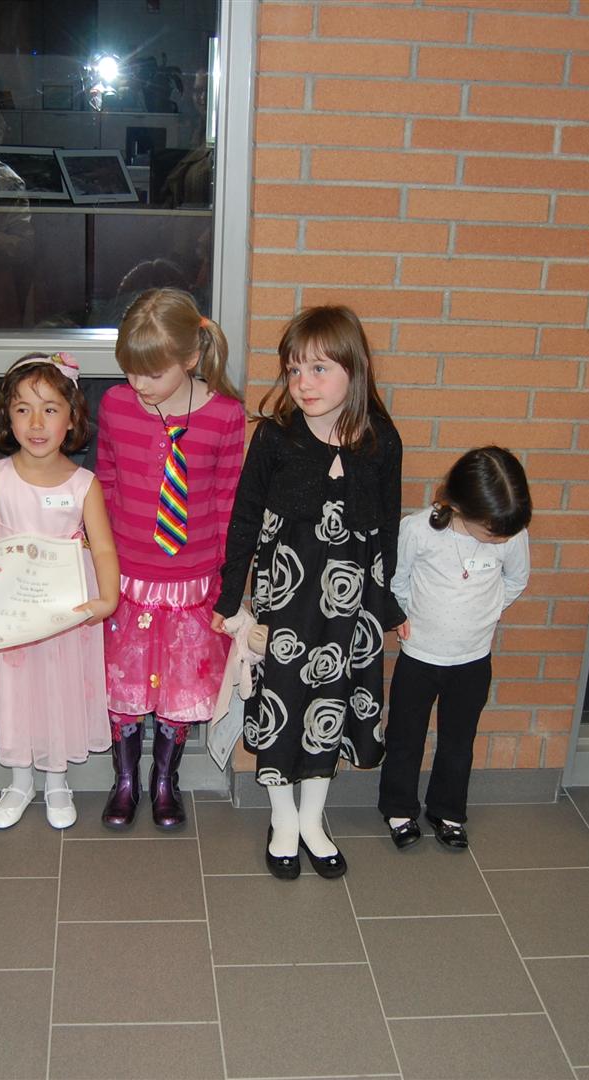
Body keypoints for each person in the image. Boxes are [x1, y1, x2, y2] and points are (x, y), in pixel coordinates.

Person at [214, 306, 404, 881]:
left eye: (319, 369)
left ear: (355, 368)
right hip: (286, 599)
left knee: (330, 703)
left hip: (351, 605)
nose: (303, 383)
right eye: (294, 370)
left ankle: (313, 819)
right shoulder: (275, 437)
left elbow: (387, 527)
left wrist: (387, 605)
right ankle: (283, 819)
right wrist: (231, 599)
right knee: (282, 701)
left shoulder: (380, 440)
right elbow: (245, 519)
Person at [96, 289, 245, 830]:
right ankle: (125, 780)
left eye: (152, 374)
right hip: (128, 581)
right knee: (124, 686)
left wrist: (228, 586)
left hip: (191, 585)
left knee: (177, 690)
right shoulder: (115, 406)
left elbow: (228, 502)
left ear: (190, 358)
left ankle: (165, 780)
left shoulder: (225, 416)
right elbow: (105, 483)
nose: (139, 384)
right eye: (131, 371)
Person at [0, 354, 119, 830]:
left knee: (58, 690)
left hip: (65, 612)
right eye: (23, 409)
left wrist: (107, 597)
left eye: (49, 409)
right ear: (8, 417)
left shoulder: (84, 485)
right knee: (15, 690)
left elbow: (103, 548)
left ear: (72, 417)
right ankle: (20, 779)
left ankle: (57, 779)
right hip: (10, 608)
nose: (37, 423)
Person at [378, 447, 531, 850]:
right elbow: (397, 579)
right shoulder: (418, 530)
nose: (499, 539)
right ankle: (399, 809)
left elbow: (516, 580)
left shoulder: (511, 532)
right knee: (405, 736)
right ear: (461, 505)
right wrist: (403, 614)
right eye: (492, 532)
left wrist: (489, 611)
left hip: (473, 659)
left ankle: (447, 810)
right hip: (419, 656)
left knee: (459, 741)